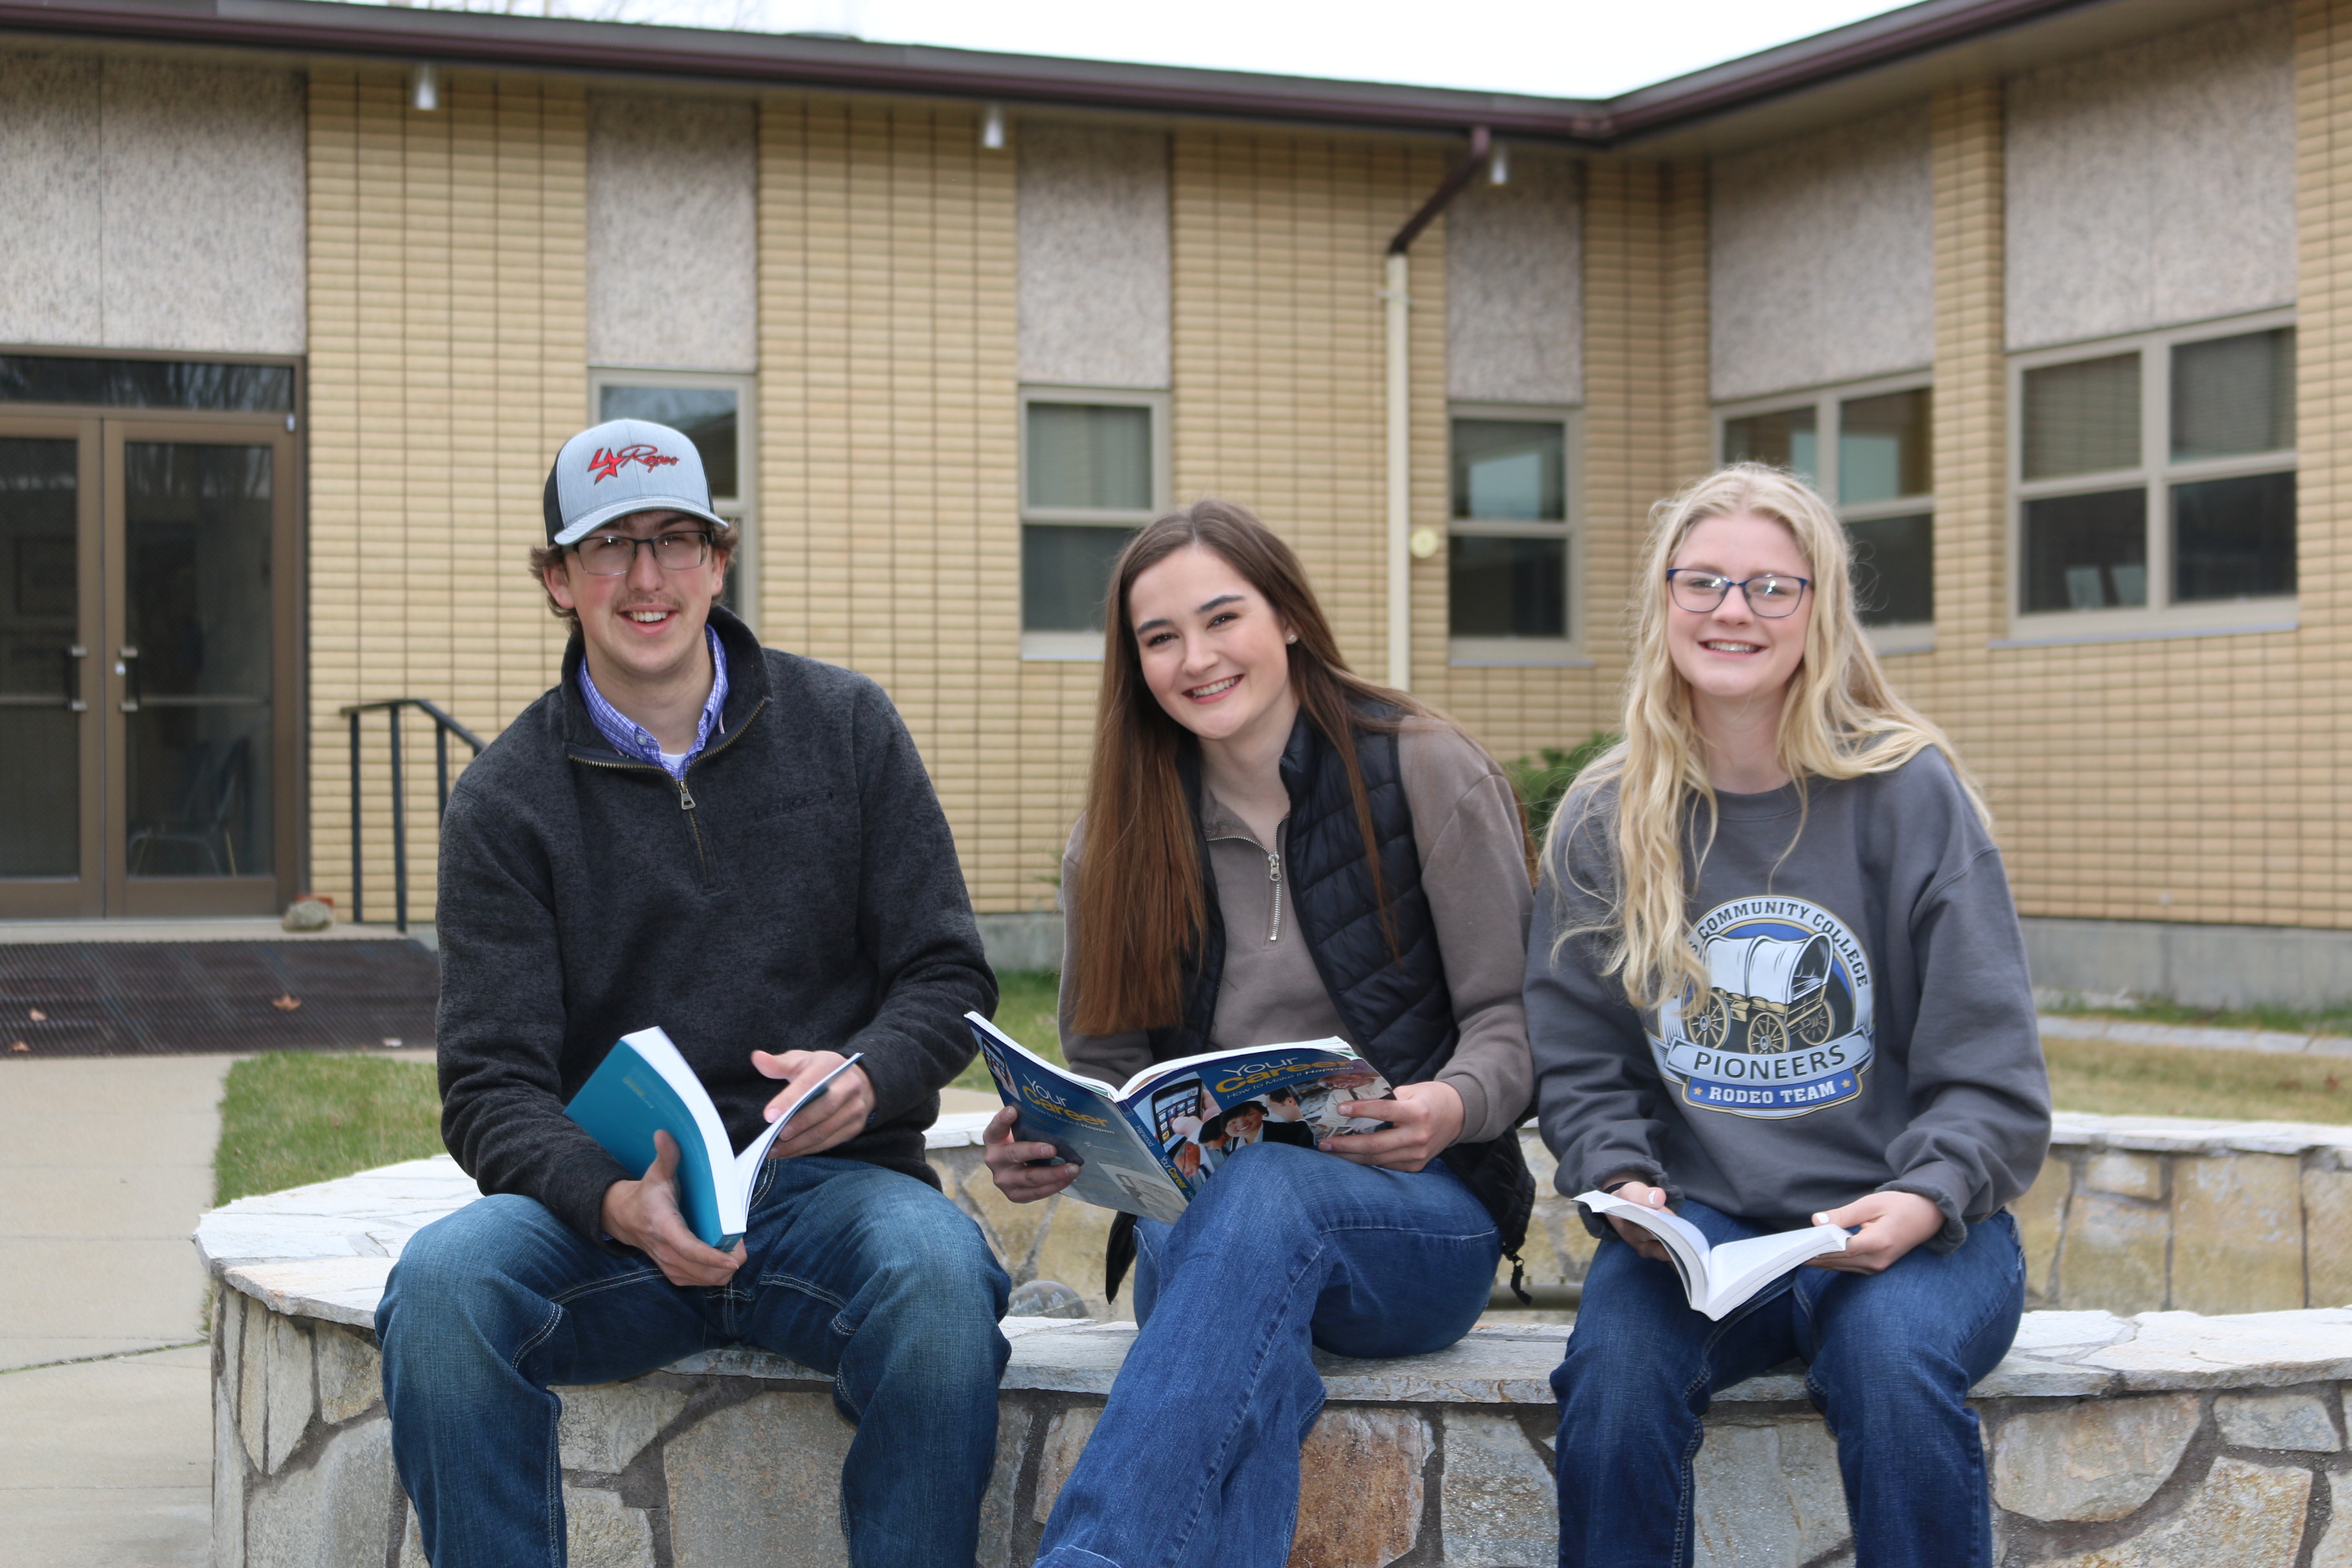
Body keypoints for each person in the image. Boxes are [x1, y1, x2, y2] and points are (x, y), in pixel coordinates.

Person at [373, 417, 1010, 1568]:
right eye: (610, 547)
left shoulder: (849, 729)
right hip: (609, 1219)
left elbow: (947, 972)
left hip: (831, 1191)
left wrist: (868, 1079)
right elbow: (489, 1088)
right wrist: (613, 1201)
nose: (648, 578)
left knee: (941, 1277)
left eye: (676, 540)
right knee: (442, 1288)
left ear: (721, 559)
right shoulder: (505, 800)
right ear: (559, 581)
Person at [983, 498, 1539, 1566]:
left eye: (1222, 617)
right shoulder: (1117, 837)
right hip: (1198, 1242)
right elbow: (1103, 1073)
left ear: (1285, 614)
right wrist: (1051, 1144)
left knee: (1269, 1194)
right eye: (1159, 638)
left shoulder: (1425, 771)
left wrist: (1449, 1105)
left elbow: (1513, 1024)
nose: (1196, 658)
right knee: (1253, 1340)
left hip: (1422, 1221)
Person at [1527, 464, 2051, 1568]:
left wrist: (1926, 1195)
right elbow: (1579, 1057)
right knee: (1615, 1382)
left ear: (1820, 612)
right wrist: (1619, 1177)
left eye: (1773, 587)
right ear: (1664, 603)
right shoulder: (1604, 817)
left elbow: (1993, 1077)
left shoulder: (1912, 794)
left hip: (1912, 1233)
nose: (1733, 611)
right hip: (1705, 1237)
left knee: (1891, 1366)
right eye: (1705, 582)